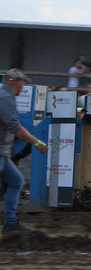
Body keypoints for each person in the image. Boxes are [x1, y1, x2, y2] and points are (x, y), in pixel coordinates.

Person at [0, 69, 48, 235]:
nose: (24, 86)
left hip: (3, 153)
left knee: (16, 181)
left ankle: (10, 223)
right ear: (18, 82)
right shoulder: (5, 97)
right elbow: (14, 127)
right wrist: (37, 142)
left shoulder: (4, 95)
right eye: (24, 83)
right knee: (15, 182)